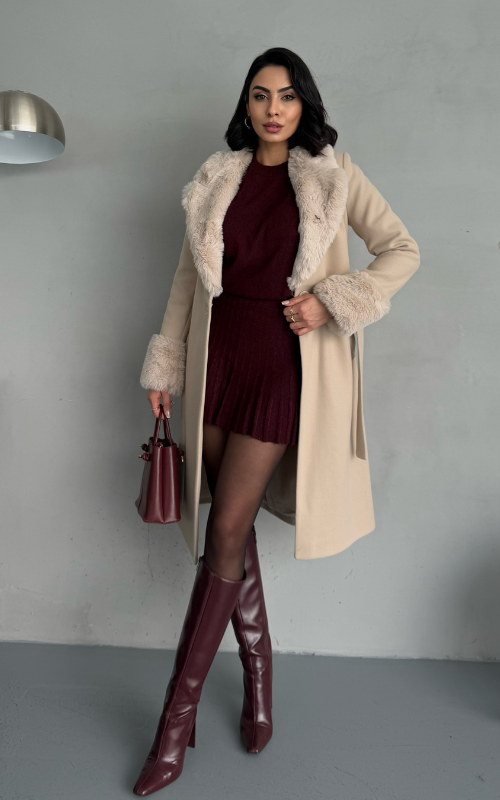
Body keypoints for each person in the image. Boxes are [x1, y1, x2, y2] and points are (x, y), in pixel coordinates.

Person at [134, 46, 420, 795]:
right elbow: (185, 282)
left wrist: (332, 301)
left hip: (280, 370)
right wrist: (165, 369)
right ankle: (259, 673)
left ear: (304, 104)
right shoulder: (217, 177)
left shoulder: (333, 173)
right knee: (230, 524)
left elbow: (401, 249)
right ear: (247, 104)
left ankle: (174, 724)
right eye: (260, 95)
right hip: (216, 362)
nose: (273, 109)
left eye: (287, 96)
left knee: (227, 526)